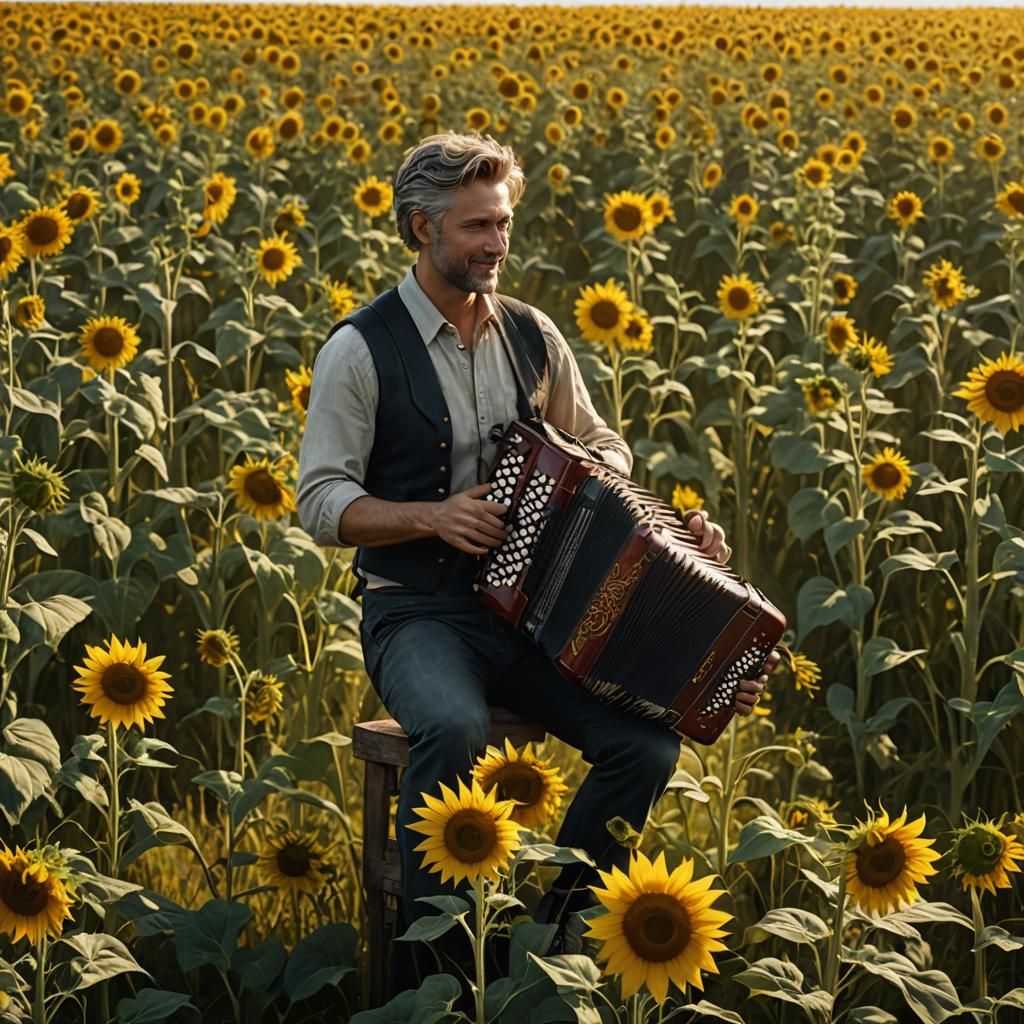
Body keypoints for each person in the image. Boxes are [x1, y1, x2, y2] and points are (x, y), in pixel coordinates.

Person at [297, 133, 777, 984]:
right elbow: (321, 502)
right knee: (452, 727)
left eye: (504, 223)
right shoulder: (359, 349)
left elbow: (601, 442)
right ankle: (435, 973)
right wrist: (432, 518)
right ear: (421, 228)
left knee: (649, 749)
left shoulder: (533, 333)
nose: (497, 244)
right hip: (417, 614)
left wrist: (644, 526)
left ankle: (545, 944)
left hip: (536, 618)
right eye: (477, 226)